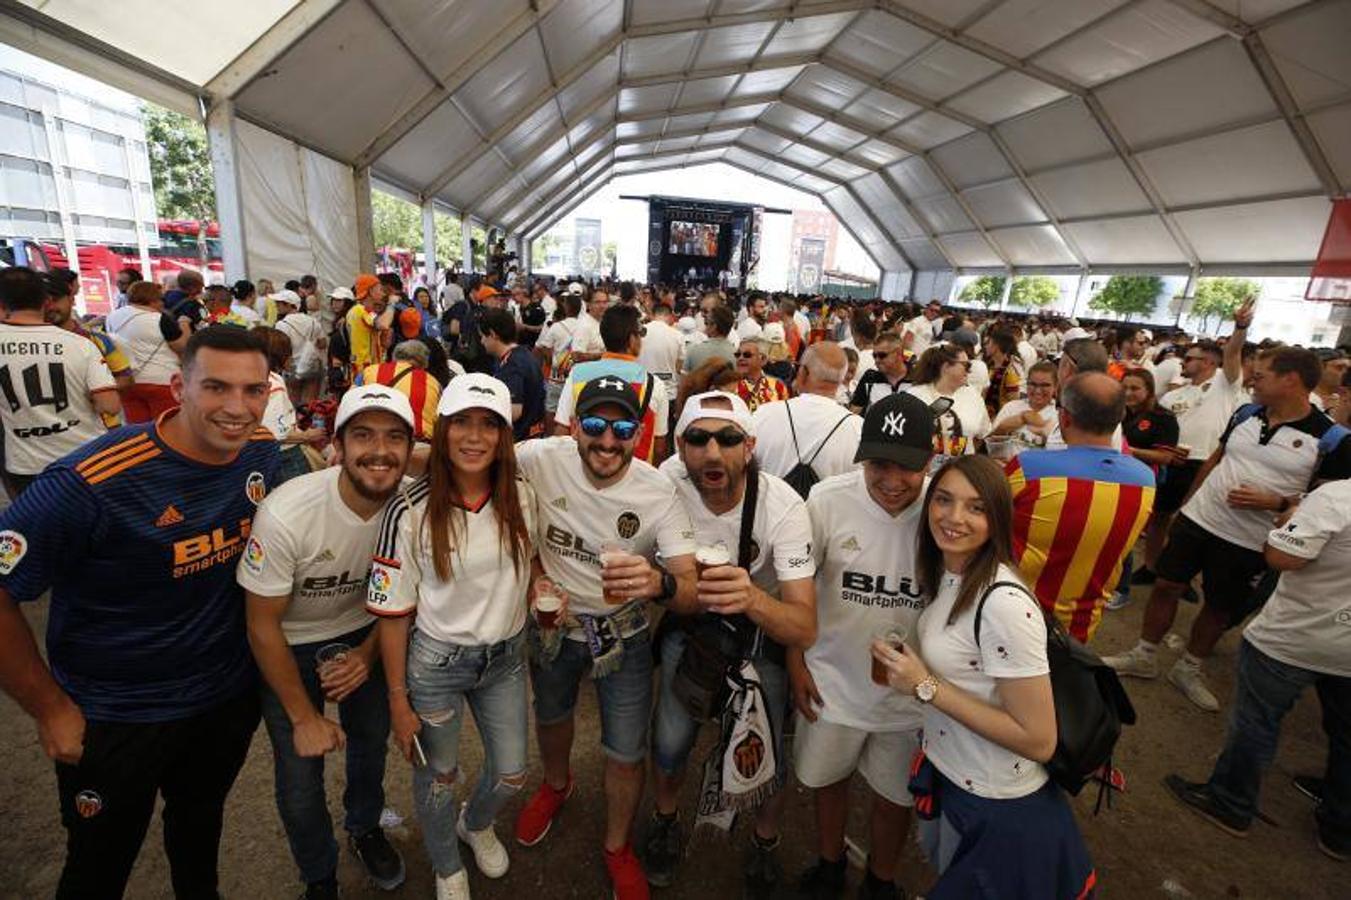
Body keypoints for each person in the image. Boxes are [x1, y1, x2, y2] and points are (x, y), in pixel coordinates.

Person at [0, 326, 281, 898]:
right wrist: (50, 709)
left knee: (199, 829)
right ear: (178, 386)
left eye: (254, 391)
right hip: (117, 717)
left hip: (223, 702)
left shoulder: (261, 454)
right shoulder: (89, 481)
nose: (237, 408)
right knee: (99, 865)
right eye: (217, 388)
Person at [873, 456, 1095, 899]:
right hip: (955, 777)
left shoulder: (1003, 605)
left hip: (996, 802)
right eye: (944, 500)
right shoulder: (951, 574)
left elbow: (1038, 740)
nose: (954, 518)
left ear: (998, 519)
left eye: (976, 508)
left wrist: (925, 685)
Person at [512, 377, 698, 900]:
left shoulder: (658, 489)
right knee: (551, 717)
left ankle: (617, 846)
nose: (608, 441)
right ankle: (555, 785)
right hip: (555, 629)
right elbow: (464, 461)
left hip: (624, 636)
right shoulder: (538, 457)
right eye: (594, 425)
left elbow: (688, 586)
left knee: (624, 751)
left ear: (640, 433)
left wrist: (659, 582)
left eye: (622, 429)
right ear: (573, 427)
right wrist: (531, 574)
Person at [239, 385, 415, 898]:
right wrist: (302, 716)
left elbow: (404, 596)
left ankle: (363, 827)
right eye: (363, 435)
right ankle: (320, 878)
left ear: (409, 448)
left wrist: (364, 657)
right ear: (336, 445)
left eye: (394, 438)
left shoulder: (411, 502)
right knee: (299, 779)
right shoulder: (286, 513)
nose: (379, 451)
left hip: (367, 630)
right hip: (288, 642)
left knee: (370, 743)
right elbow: (260, 624)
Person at [1106, 344, 1351, 711]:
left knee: (1219, 607)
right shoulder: (1246, 412)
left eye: (1262, 374)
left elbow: (1326, 501)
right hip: (1200, 520)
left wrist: (1279, 503)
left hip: (1250, 539)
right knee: (1166, 585)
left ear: (1291, 380)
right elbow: (1217, 459)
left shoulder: (1331, 439)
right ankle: (1144, 654)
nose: (1252, 378)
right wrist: (1188, 505)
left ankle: (1189, 667)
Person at [369, 375, 537, 900]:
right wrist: (398, 699)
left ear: (504, 437)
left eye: (489, 425)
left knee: (511, 772)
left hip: (506, 658)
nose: (474, 436)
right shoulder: (409, 508)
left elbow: (527, 567)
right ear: (440, 432)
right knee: (438, 775)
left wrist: (541, 593)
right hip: (436, 665)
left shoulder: (523, 497)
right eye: (461, 422)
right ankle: (445, 865)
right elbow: (393, 613)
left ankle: (476, 823)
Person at [643, 393, 816, 896]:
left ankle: (764, 840)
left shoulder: (783, 505)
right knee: (672, 740)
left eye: (728, 438)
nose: (713, 453)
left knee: (765, 755)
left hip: (759, 632)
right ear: (680, 445)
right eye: (698, 439)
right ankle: (665, 816)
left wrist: (753, 600)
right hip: (691, 627)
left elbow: (803, 626)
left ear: (750, 446)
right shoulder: (665, 483)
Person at [792, 393, 936, 900]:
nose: (892, 480)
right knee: (828, 781)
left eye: (907, 468)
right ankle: (830, 865)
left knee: (894, 796)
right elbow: (798, 585)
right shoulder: (827, 500)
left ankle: (882, 879)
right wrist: (795, 660)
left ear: (931, 459)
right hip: (832, 678)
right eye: (879, 464)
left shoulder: (945, 508)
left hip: (911, 696)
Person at [1162, 475, 1351, 860]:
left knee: (1256, 721)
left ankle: (1229, 803)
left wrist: (1291, 517)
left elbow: (1282, 557)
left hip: (1296, 637)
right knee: (1348, 736)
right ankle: (1340, 828)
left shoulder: (1336, 497)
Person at [1005, 373, 1156, 643]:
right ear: (1119, 418)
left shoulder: (1028, 468)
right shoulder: (1146, 481)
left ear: (1065, 418)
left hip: (1013, 611)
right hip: (1080, 626)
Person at [0, 267, 119, 497]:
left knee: (35, 527)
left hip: (25, 464)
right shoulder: (81, 344)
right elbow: (110, 405)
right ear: (45, 301)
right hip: (85, 457)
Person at [555, 305, 671, 463]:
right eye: (639, 335)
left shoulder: (577, 374)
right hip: (635, 477)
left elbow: (562, 430)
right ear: (632, 340)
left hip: (586, 472)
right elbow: (659, 446)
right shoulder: (653, 384)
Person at [751, 342, 861, 487]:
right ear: (841, 379)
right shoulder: (858, 428)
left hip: (773, 508)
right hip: (828, 510)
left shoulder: (765, 414)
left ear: (803, 373)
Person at [43, 269, 134, 402]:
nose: (49, 306)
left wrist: (94, 393)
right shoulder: (31, 342)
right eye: (43, 301)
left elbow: (125, 378)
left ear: (71, 299)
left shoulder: (96, 339)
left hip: (102, 420)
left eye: (56, 299)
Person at [106, 280, 189, 423]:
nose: (162, 304)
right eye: (160, 299)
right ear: (153, 299)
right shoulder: (160, 319)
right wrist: (184, 324)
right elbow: (181, 345)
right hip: (162, 381)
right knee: (167, 428)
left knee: (138, 431)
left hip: (128, 382)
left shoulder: (112, 317)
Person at [904, 344, 991, 470]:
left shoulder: (973, 395)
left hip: (962, 474)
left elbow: (981, 435)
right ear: (946, 367)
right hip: (923, 474)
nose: (969, 371)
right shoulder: (915, 396)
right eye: (966, 365)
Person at [356, 340, 443, 443]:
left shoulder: (369, 371)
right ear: (424, 362)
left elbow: (349, 400)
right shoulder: (433, 383)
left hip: (371, 438)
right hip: (419, 443)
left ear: (395, 356)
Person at [480, 307, 546, 441]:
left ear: (493, 334)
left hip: (520, 440)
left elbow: (514, 411)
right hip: (534, 434)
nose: (481, 341)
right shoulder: (525, 354)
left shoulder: (511, 365)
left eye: (482, 336)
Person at [987, 361, 1057, 451]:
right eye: (1033, 384)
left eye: (1045, 385)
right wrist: (1016, 421)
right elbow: (991, 443)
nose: (1038, 391)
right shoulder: (1011, 407)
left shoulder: (1060, 415)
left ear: (1055, 387)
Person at [275, 289, 328, 405]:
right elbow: (323, 343)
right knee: (310, 404)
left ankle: (296, 423)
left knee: (292, 403)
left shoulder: (281, 325)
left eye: (279, 303)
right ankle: (309, 423)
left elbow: (280, 348)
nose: (276, 305)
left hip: (292, 366)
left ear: (289, 305)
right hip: (313, 365)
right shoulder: (313, 321)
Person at [848, 331, 907, 416]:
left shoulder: (916, 378)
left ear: (898, 353)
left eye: (882, 355)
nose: (877, 360)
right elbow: (853, 413)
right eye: (874, 356)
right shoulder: (870, 378)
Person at [347, 274, 391, 376]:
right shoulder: (361, 309)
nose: (383, 293)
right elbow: (382, 324)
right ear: (370, 291)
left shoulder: (358, 310)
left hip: (365, 365)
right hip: (365, 366)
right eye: (380, 289)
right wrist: (391, 306)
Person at [637, 301, 684, 393]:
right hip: (668, 391)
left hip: (644, 390)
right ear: (670, 316)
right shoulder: (678, 335)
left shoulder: (638, 333)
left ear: (653, 315)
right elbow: (678, 367)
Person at [735, 337, 790, 413]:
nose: (740, 358)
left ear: (763, 359)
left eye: (747, 355)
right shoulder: (728, 385)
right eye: (737, 355)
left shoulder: (778, 386)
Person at [982, 325, 1025, 419]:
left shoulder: (1010, 371)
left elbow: (1013, 403)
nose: (986, 346)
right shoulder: (991, 366)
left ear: (996, 346)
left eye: (988, 343)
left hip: (999, 419)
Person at [683, 304, 736, 374]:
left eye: (706, 323)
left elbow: (684, 377)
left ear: (714, 326)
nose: (705, 327)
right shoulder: (737, 355)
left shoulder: (693, 350)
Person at [164, 269, 206, 334]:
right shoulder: (194, 305)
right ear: (192, 287)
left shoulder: (165, 296)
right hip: (185, 338)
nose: (202, 289)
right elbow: (203, 322)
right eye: (201, 286)